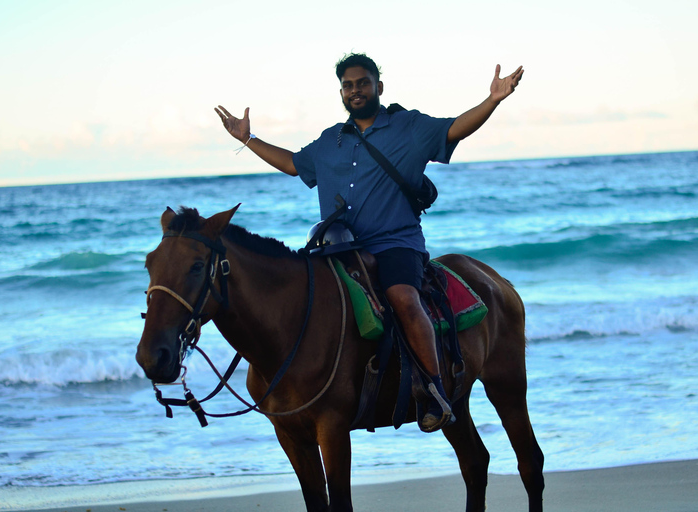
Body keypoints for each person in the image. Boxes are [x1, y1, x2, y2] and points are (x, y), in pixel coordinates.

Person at [216, 53, 523, 432]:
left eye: (363, 82)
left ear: (379, 86)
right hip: (336, 250)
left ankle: (433, 390)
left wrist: (492, 100)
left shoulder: (407, 127)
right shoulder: (331, 141)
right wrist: (248, 138)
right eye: (348, 85)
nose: (356, 90)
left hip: (395, 245)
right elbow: (294, 164)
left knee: (404, 299)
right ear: (341, 92)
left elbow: (454, 129)